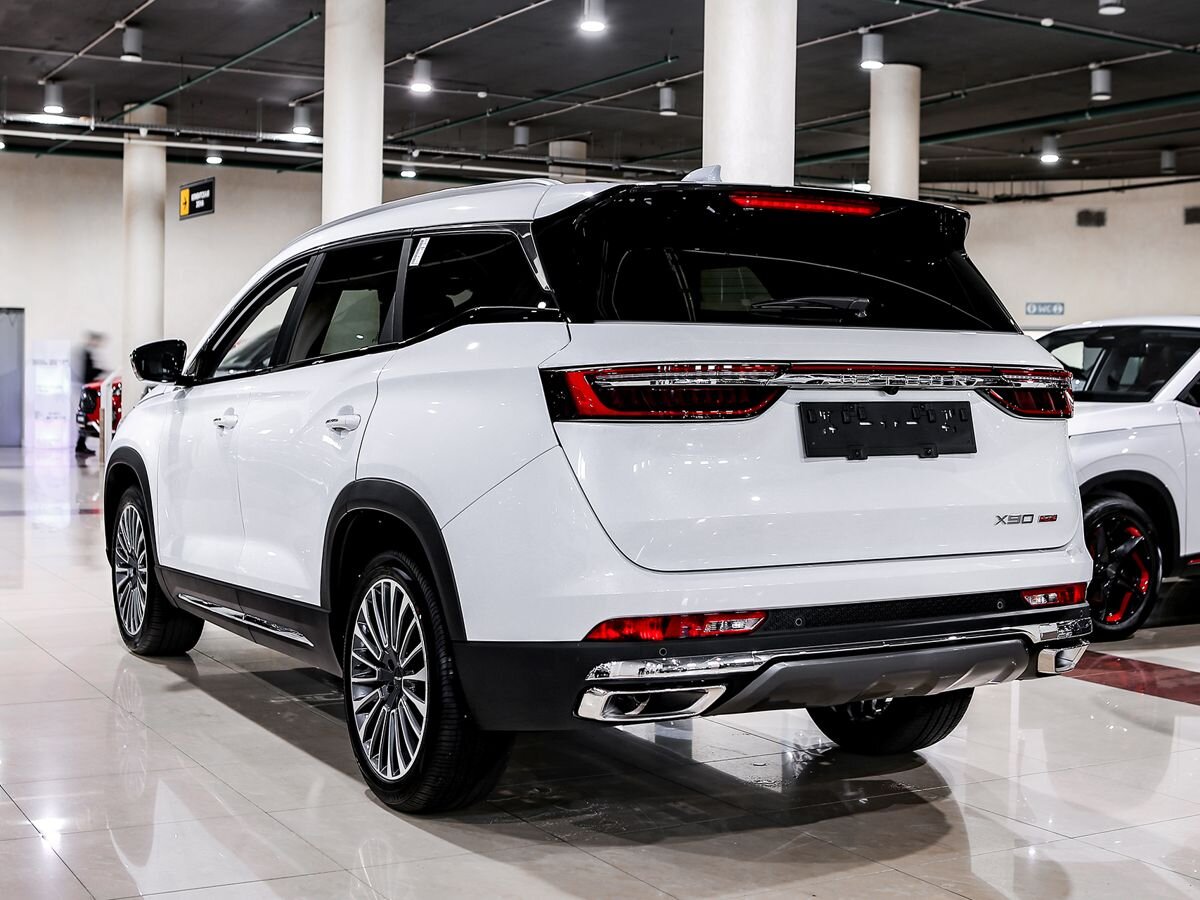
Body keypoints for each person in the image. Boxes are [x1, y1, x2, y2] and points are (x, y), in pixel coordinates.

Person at [74, 331, 106, 456]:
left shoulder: (87, 353)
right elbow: (88, 373)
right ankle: (80, 445)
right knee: (87, 417)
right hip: (88, 391)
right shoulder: (87, 354)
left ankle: (80, 445)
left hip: (87, 390)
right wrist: (100, 371)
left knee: (86, 418)